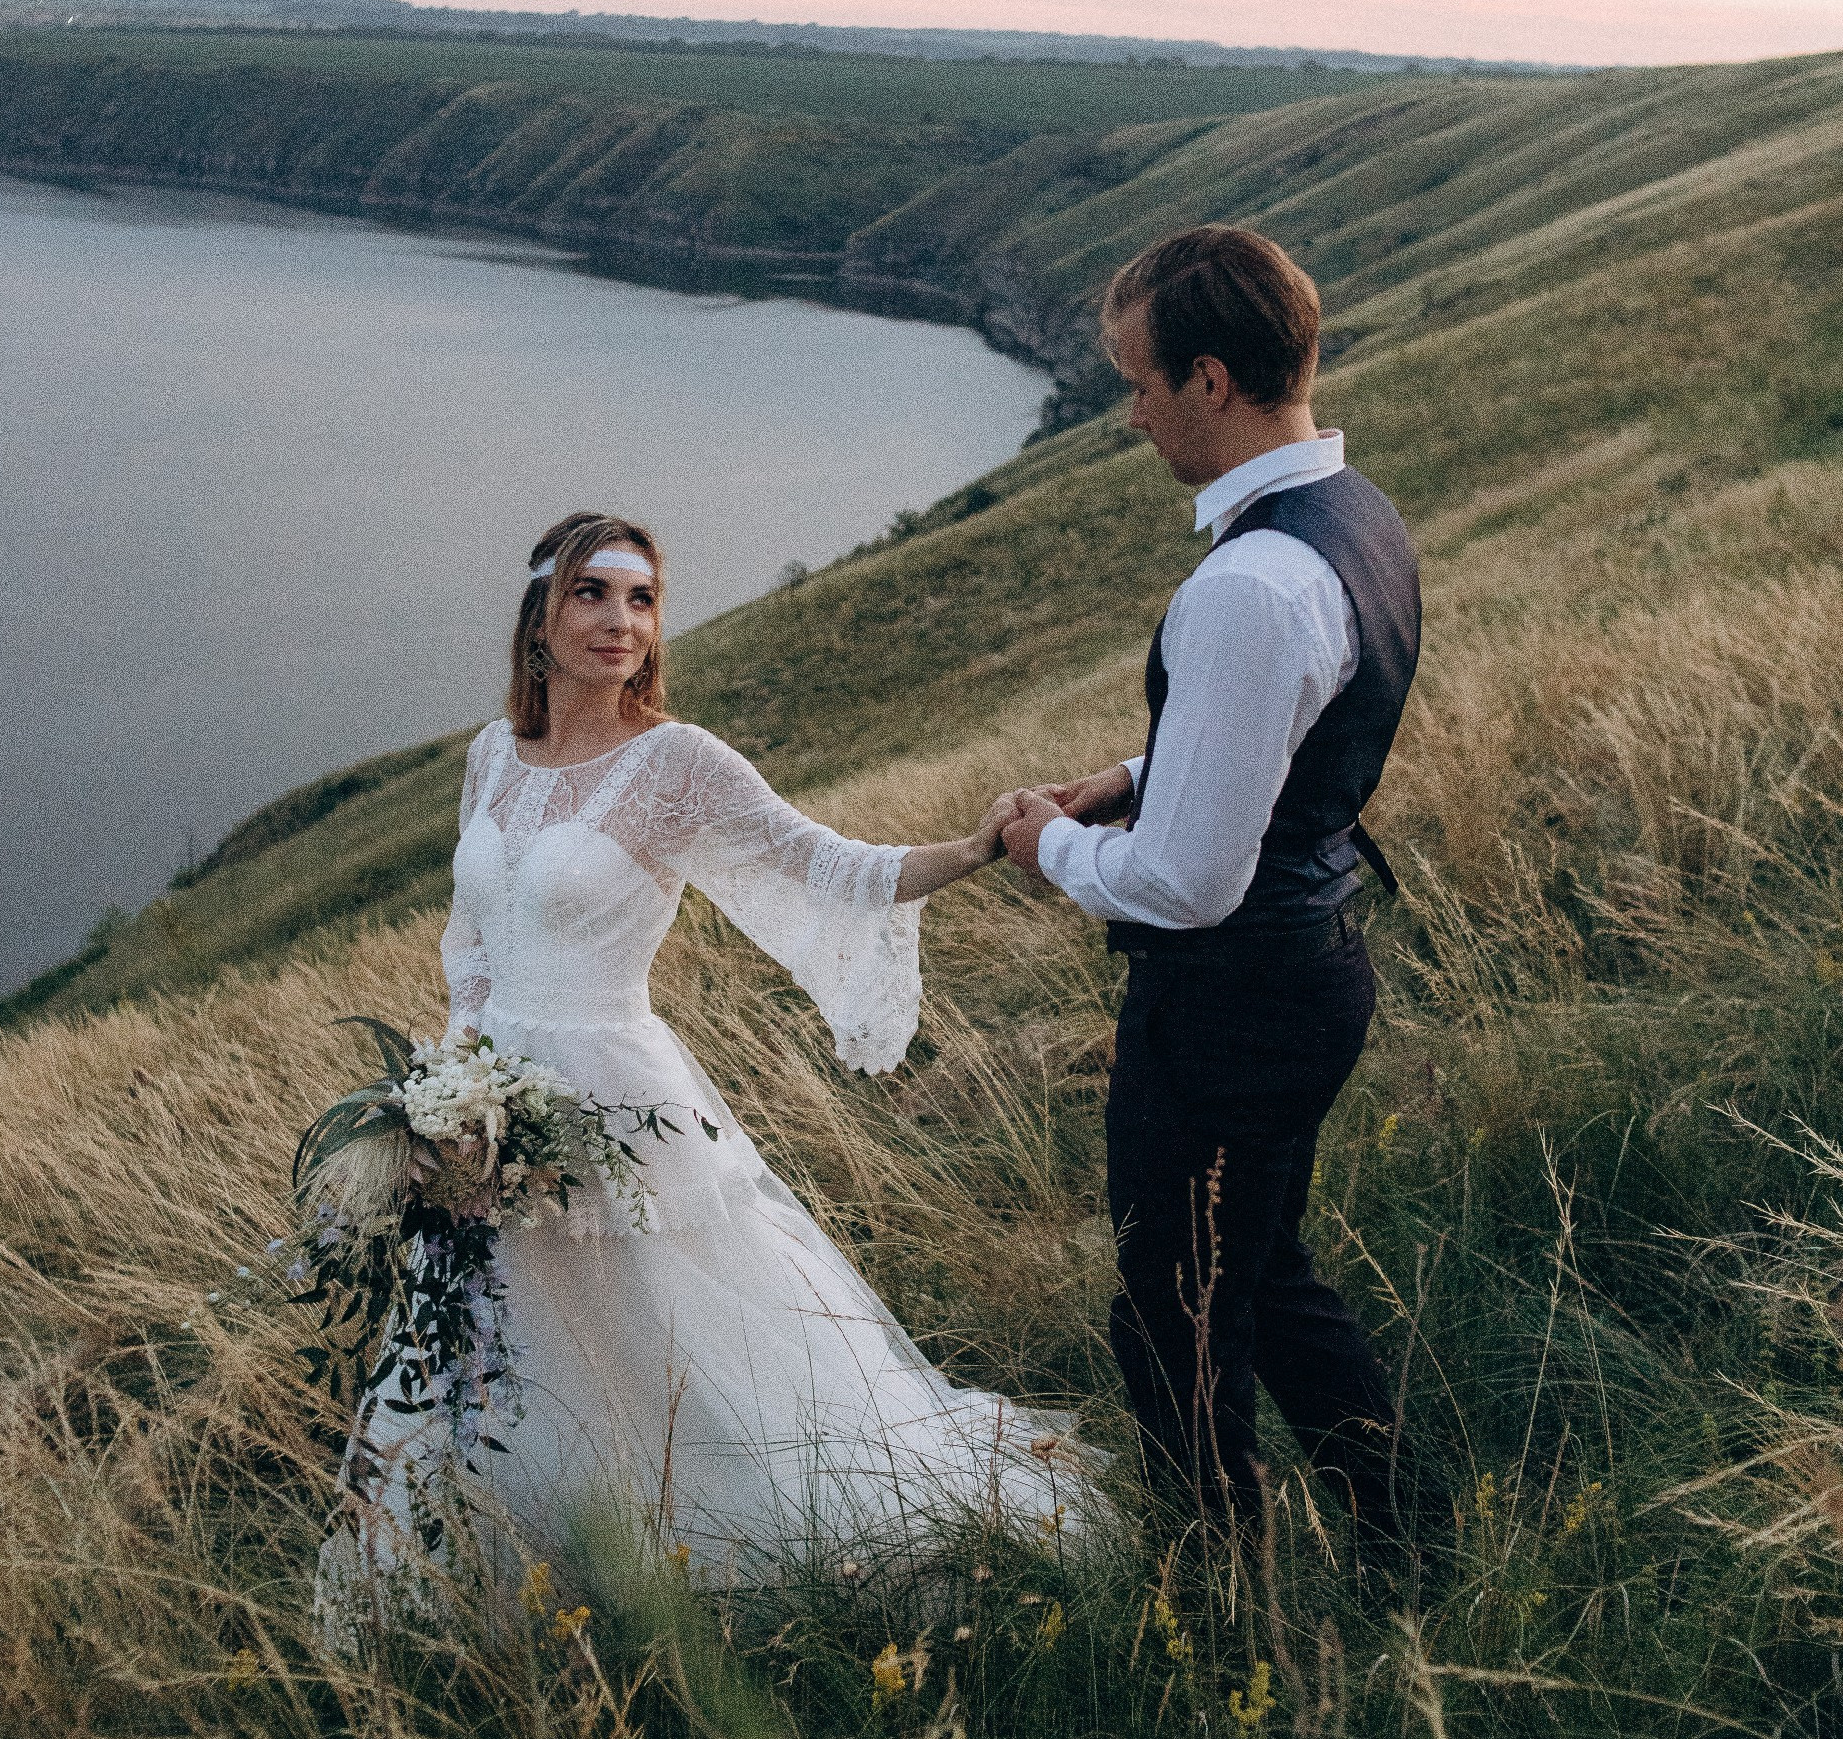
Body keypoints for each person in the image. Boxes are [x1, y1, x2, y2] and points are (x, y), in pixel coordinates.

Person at [318, 508, 1096, 1622]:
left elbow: (830, 867)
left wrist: (975, 848)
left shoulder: (673, 765)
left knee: (663, 1347)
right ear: (539, 612)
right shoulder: (493, 756)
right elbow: (471, 940)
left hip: (617, 1101)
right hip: (481, 1117)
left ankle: (704, 1563)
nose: (619, 622)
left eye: (641, 600)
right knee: (502, 1350)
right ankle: (514, 1575)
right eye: (593, 593)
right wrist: (449, 1100)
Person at [998, 225, 1420, 1551]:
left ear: (1214, 380)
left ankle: (1221, 1598)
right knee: (1264, 1275)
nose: (1128, 412)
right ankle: (1406, 1536)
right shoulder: (1355, 519)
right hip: (1308, 969)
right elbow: (1286, 727)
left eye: (1137, 381)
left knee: (1173, 1308)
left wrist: (1044, 844)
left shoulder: (1245, 585)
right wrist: (1129, 777)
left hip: (1232, 1005)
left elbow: (1183, 883)